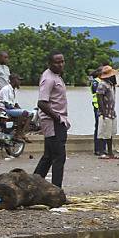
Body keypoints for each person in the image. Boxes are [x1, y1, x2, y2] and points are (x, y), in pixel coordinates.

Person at [34, 53, 69, 189]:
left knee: (48, 156)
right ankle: (57, 190)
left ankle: (33, 184)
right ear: (49, 63)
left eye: (62, 61)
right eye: (57, 62)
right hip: (53, 121)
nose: (60, 65)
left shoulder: (57, 77)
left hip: (58, 120)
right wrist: (57, 118)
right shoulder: (48, 78)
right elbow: (42, 103)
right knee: (59, 157)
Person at [0, 74, 31, 141]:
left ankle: (22, 133)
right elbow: (6, 104)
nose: (20, 82)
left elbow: (15, 104)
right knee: (23, 113)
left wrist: (21, 109)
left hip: (10, 109)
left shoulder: (13, 90)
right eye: (19, 80)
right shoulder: (6, 89)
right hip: (4, 109)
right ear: (13, 80)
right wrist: (19, 110)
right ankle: (18, 133)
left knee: (30, 114)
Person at [96, 66, 119, 158]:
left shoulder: (110, 85)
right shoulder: (102, 84)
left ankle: (110, 152)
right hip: (105, 112)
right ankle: (102, 152)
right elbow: (99, 99)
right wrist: (103, 112)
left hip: (112, 112)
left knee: (110, 133)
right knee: (103, 132)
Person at [89, 67, 104, 156]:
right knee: (99, 127)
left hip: (104, 107)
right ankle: (97, 149)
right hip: (97, 106)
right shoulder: (96, 82)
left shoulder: (103, 81)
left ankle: (103, 148)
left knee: (104, 128)